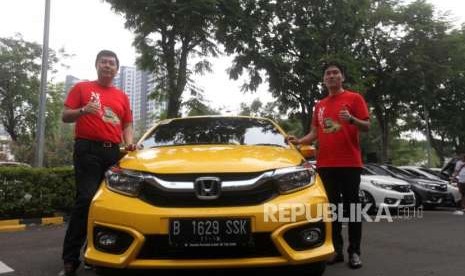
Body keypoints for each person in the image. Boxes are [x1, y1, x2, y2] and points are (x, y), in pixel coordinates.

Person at [59, 50, 136, 276]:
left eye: (112, 63)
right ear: (96, 65)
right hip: (87, 150)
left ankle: (101, 251)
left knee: (113, 202)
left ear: (116, 69)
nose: (107, 66)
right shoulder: (82, 88)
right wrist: (83, 110)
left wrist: (129, 144)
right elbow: (65, 116)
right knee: (86, 199)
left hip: (113, 153)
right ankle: (70, 258)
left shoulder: (122, 95)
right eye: (104, 62)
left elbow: (127, 125)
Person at [288, 61, 370, 269]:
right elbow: (315, 133)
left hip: (350, 163)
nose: (332, 76)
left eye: (336, 73)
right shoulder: (320, 105)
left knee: (352, 209)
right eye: (328, 74)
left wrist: (351, 119)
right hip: (325, 165)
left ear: (342, 77)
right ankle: (336, 251)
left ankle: (355, 252)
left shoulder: (354, 98)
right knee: (331, 211)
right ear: (324, 79)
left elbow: (367, 126)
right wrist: (299, 141)